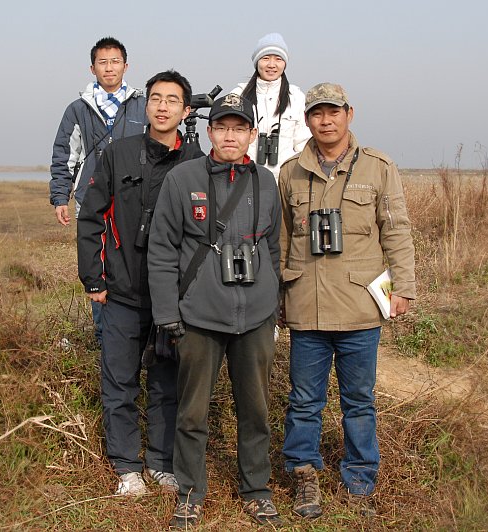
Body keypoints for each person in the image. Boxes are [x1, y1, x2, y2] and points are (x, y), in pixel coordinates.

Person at [277, 83, 416, 519]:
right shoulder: (290, 172)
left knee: (359, 398)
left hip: (360, 305)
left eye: (333, 112)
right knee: (304, 399)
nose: (326, 120)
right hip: (307, 305)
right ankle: (304, 473)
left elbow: (396, 229)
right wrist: (279, 295)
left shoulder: (377, 167)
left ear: (349, 114)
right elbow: (281, 239)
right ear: (307, 119)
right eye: (317, 113)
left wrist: (404, 287)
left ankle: (360, 477)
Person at [148, 94, 283, 528]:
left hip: (256, 318)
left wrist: (273, 300)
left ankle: (257, 490)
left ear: (252, 134)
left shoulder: (266, 182)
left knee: (256, 410)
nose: (230, 135)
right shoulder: (183, 177)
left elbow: (275, 247)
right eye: (222, 127)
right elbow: (163, 250)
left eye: (239, 128)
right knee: (192, 413)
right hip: (199, 317)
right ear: (209, 132)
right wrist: (169, 312)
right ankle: (189, 494)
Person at [77, 70, 203, 496]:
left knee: (169, 381)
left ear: (187, 111)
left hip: (174, 298)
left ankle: (162, 463)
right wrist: (94, 278)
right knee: (120, 380)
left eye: (172, 100)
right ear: (146, 105)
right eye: (155, 98)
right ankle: (127, 467)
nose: (162, 106)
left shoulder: (195, 163)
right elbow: (91, 217)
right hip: (123, 291)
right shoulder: (118, 154)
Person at [50, 36, 146, 348]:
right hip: (92, 199)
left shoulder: (142, 105)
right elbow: (63, 154)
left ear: (126, 66)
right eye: (102, 62)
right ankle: (105, 338)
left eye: (115, 61)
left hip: (136, 200)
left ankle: (139, 337)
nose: (109, 68)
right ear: (92, 68)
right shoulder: (77, 109)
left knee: (136, 261)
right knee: (97, 263)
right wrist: (60, 196)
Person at [230, 32, 310, 181]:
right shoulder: (238, 95)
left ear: (285, 63)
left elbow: (303, 143)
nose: (271, 65)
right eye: (265, 58)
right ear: (256, 62)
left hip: (286, 179)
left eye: (278, 59)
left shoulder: (296, 96)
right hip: (245, 177)